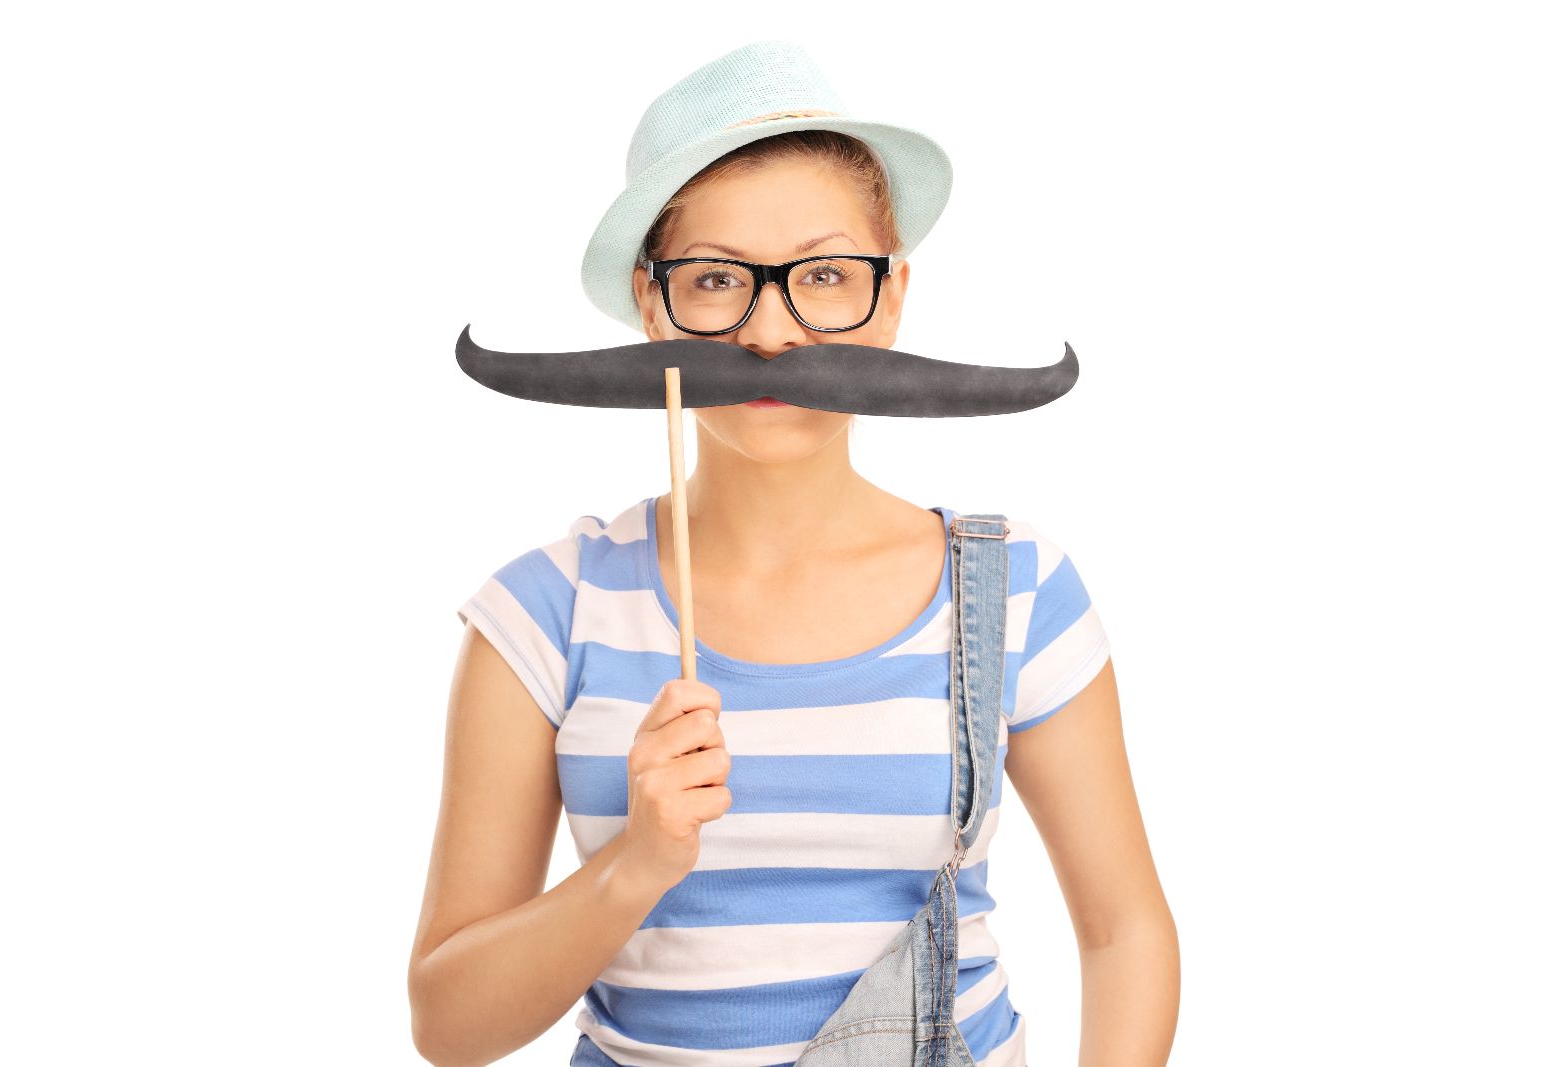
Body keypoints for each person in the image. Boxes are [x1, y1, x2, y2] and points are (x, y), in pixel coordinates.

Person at [408, 40, 1179, 1067]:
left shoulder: (1013, 587)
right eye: (718, 278)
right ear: (652, 305)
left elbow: (1124, 928)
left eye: (822, 275)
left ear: (892, 294)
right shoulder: (547, 611)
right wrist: (632, 866)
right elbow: (449, 1028)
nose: (771, 330)